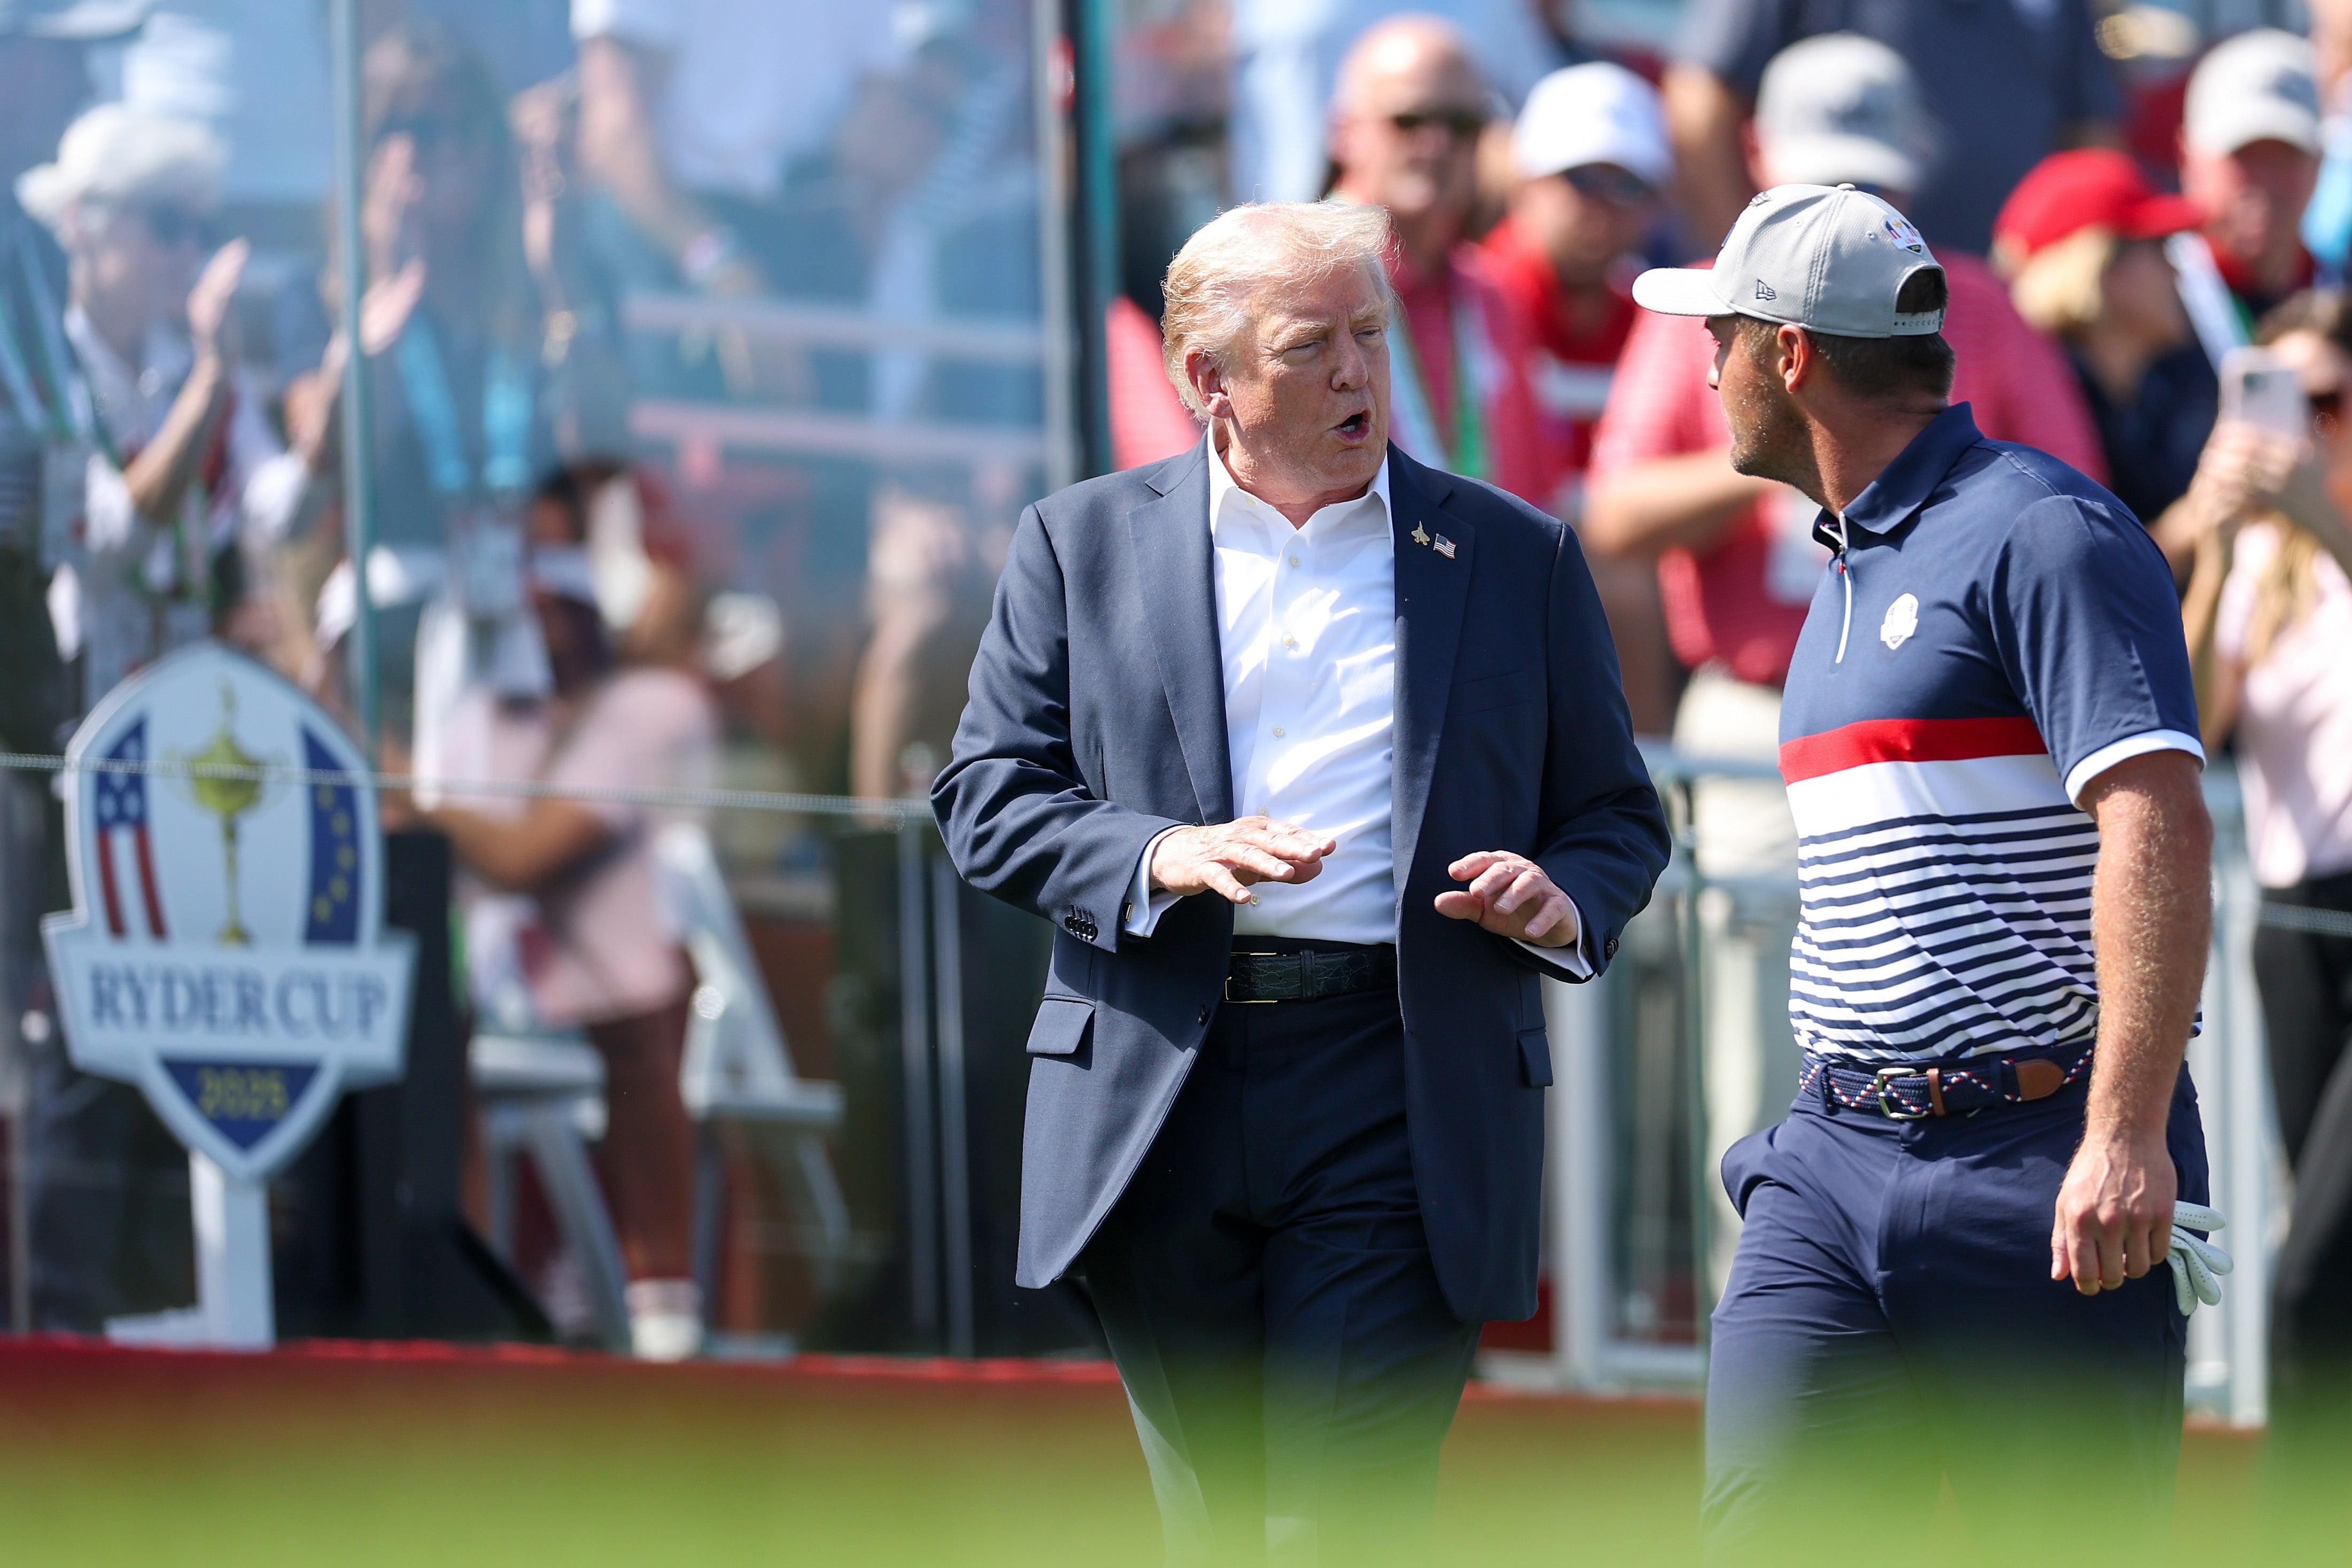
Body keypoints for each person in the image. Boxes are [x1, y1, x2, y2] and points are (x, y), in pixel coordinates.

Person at [933, 200, 1668, 1562]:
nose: (1356, 372)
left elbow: (1616, 818)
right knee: (1211, 1527)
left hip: (1399, 1079)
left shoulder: (1514, 556)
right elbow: (982, 799)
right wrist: (1161, 854)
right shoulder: (1075, 543)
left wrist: (1561, 898)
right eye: (1310, 344)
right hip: (1158, 1080)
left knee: (1346, 1519)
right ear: (1206, 381)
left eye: (1372, 334)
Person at [1632, 184, 2211, 1561]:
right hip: (1826, 1161)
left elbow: (2155, 817)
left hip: (2043, 1166)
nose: (1698, 370)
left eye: (1715, 335)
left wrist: (2123, 1133)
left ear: (1787, 354)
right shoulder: (1841, 568)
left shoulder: (2038, 529)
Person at [1583, 35, 2107, 1275]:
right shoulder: (1726, 315)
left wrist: (1867, 451)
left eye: (1872, 187)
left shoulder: (1962, 305)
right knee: (1752, 1075)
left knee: (1964, 1043)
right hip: (1757, 712)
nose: (1851, 214)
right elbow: (1607, 515)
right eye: (1823, 182)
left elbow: (2069, 488)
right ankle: (1764, 1303)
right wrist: (1792, 444)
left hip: (1950, 731)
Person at [400, 460, 718, 1361]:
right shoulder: (472, 701)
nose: (545, 609)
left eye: (566, 588)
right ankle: (452, 1284)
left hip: (591, 981)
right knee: (430, 1006)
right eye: (534, 584)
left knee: (638, 1001)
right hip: (495, 966)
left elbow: (520, 853)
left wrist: (415, 797)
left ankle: (664, 1313)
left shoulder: (641, 708)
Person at [2171, 291, 2352, 1480]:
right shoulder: (2266, 561)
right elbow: (2181, 725)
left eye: (2327, 402)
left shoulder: (2323, 540)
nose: (2303, 429)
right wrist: (2214, 538)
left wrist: (2322, 522)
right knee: (2329, 1263)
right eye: (2279, 401)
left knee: (2308, 1278)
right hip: (2295, 932)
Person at [286, 22, 555, 739]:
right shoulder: (315, 297)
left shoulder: (543, 294)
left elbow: (604, 457)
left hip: (524, 613)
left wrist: (560, 287)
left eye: (471, 127)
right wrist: (372, 296)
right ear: (371, 145)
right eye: (422, 129)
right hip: (390, 621)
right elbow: (311, 484)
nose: (454, 151)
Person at [19, 104, 291, 708]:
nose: (190, 251)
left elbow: (282, 508)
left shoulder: (196, 360)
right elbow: (103, 543)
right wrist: (208, 384)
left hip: (190, 687)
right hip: (74, 697)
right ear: (79, 221)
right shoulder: (44, 372)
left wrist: (336, 417)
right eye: (167, 225)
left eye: (203, 229)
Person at [1477, 60, 1678, 733]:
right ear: (1523, 181)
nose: (1603, 203)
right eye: (1581, 178)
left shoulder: (1654, 312)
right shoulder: (1476, 297)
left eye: (1629, 183)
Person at [1662, 0, 2121, 255]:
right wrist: (1744, 259)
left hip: (1993, 300)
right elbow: (1701, 102)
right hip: (1826, 286)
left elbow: (2090, 138)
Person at [1326, 15, 1546, 504]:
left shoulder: (1494, 294)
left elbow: (1532, 495)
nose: (1437, 142)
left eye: (1462, 124)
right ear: (1343, 133)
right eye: (1409, 120)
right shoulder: (1298, 284)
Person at [1992, 149, 2217, 568]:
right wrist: (2194, 523)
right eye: (2160, 248)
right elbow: (2075, 572)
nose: (2178, 273)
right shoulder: (2032, 408)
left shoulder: (2151, 393)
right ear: (2102, 267)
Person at [2172, 29, 2323, 363]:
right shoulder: (2152, 309)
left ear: (2320, 162)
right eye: (2244, 155)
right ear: (2188, 159)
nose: (2265, 181)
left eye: (2287, 155)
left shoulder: (2339, 293)